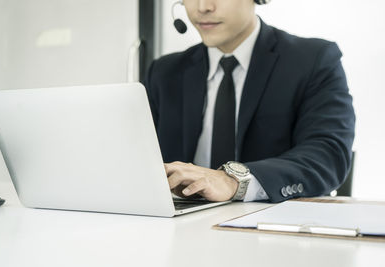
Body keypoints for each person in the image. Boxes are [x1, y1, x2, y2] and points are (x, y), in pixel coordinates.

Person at [144, 0, 355, 203]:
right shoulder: (163, 73)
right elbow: (140, 157)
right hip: (180, 228)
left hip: (269, 230)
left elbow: (328, 156)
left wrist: (233, 181)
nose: (203, 7)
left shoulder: (313, 61)